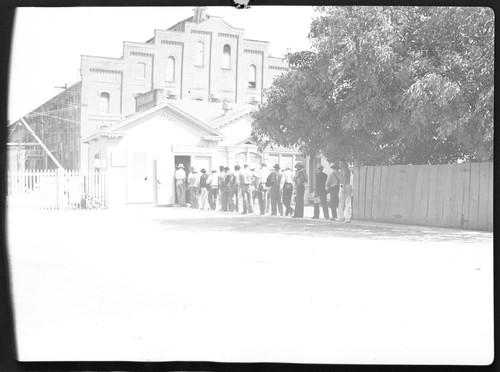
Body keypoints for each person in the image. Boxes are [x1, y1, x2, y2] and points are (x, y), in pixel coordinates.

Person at [337, 159, 352, 223]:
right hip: (344, 185)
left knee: (346, 202)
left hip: (346, 186)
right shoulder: (343, 170)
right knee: (343, 202)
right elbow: (342, 181)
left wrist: (343, 188)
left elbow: (345, 180)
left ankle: (346, 217)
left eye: (341, 163)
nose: (339, 164)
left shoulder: (345, 171)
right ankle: (342, 217)